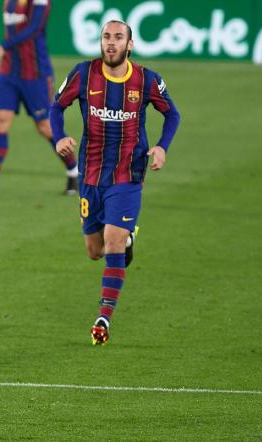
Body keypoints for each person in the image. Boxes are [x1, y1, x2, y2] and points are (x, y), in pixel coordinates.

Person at [49, 21, 180, 345]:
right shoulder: (84, 73)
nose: (110, 43)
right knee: (95, 250)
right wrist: (59, 136)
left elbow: (172, 114)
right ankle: (127, 242)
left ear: (129, 45)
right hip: (91, 175)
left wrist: (161, 147)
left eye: (118, 38)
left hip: (128, 174)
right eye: (106, 37)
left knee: (113, 240)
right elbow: (56, 106)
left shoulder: (147, 80)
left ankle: (103, 317)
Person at [0, 0, 78, 195]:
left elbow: (33, 29)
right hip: (9, 71)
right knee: (0, 120)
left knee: (45, 127)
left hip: (35, 74)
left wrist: (3, 46)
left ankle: (73, 171)